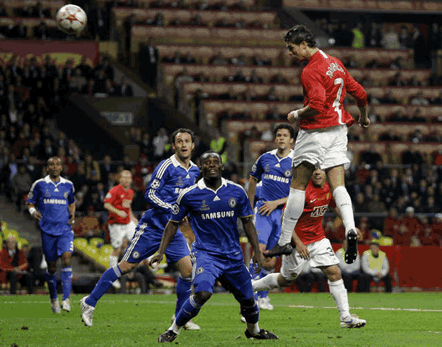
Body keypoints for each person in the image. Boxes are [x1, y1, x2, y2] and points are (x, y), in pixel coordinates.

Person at [265, 25, 369, 269]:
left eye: (291, 49)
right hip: (339, 130)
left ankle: (283, 240)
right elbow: (360, 93)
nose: (290, 53)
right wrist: (363, 117)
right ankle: (351, 228)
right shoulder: (334, 62)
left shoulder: (310, 70)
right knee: (338, 185)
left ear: (304, 44)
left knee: (298, 185)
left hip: (315, 131)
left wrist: (296, 114)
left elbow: (317, 104)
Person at [150, 151, 278, 342]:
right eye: (206, 162)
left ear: (221, 166)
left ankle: (253, 331)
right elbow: (172, 223)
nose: (211, 165)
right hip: (206, 254)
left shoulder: (236, 191)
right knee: (202, 293)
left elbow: (248, 223)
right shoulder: (189, 194)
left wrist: (257, 253)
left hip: (233, 256)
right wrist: (161, 252)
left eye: (215, 162)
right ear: (201, 168)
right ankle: (173, 329)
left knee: (248, 299)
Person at [80, 129, 201, 329]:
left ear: (193, 145)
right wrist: (173, 208)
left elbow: (187, 197)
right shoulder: (166, 166)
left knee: (188, 271)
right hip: (152, 227)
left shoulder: (195, 170)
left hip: (172, 230)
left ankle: (180, 317)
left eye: (187, 141)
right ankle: (89, 302)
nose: (183, 144)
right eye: (179, 141)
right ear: (174, 146)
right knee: (126, 267)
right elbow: (149, 195)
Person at [252, 168, 366, 328]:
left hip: (318, 239)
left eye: (321, 169)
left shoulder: (328, 188)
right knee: (285, 280)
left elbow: (335, 208)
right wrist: (298, 244)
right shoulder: (302, 192)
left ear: (326, 172)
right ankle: (252, 286)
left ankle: (345, 318)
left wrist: (350, 226)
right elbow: (285, 219)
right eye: (314, 169)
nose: (318, 172)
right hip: (296, 242)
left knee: (334, 273)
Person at [247, 124, 295, 310]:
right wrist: (249, 208)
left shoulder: (297, 161)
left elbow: (300, 192)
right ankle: (249, 297)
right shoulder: (264, 158)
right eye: (279, 135)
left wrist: (277, 203)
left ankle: (264, 296)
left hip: (283, 214)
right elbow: (252, 179)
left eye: (285, 135)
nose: (281, 138)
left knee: (271, 259)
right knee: (258, 251)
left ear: (292, 140)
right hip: (263, 212)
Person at [26, 157, 76, 312]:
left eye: (58, 164)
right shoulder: (39, 184)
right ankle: (53, 298)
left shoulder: (68, 185)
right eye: (52, 165)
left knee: (67, 258)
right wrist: (33, 211)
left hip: (65, 230)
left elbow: (72, 202)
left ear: (61, 167)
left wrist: (72, 214)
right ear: (47, 168)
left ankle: (66, 299)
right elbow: (30, 201)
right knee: (52, 268)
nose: (55, 167)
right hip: (47, 231)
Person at [103, 170, 138, 289]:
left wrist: (133, 217)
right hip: (116, 224)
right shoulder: (115, 190)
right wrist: (118, 212)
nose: (127, 180)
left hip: (127, 222)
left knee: (139, 238)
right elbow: (106, 204)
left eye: (129, 177)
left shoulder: (131, 192)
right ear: (120, 179)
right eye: (124, 177)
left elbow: (128, 207)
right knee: (117, 250)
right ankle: (112, 277)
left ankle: (151, 260)